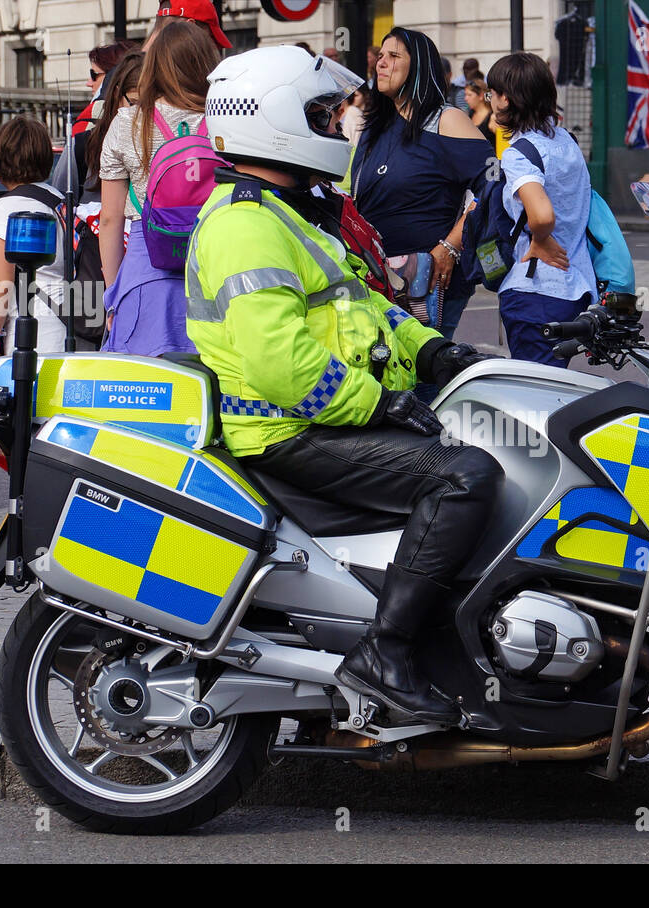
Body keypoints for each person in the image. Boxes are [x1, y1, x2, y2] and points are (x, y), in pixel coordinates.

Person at [187, 45, 501, 724]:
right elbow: (281, 363)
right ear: (273, 119)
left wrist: (436, 354)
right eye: (324, 116)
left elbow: (370, 311)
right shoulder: (245, 226)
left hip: (323, 417)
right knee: (465, 475)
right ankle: (384, 655)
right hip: (288, 431)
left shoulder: (292, 212)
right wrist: (380, 401)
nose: (338, 129)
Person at [351, 27, 494, 399]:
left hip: (430, 283)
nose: (382, 62)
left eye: (394, 56)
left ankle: (438, 455)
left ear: (420, 68)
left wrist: (450, 245)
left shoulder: (446, 120)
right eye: (381, 55)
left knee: (424, 379)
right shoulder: (373, 128)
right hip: (380, 280)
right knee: (388, 376)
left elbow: (494, 183)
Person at [98, 19, 217, 356]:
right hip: (214, 267)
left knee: (142, 390)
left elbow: (110, 219)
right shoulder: (225, 120)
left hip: (146, 266)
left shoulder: (128, 123)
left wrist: (113, 294)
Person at [487, 52, 595, 367]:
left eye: (491, 94)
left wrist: (540, 240)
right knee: (556, 387)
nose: (491, 101)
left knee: (537, 398)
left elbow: (543, 214)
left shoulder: (519, 153)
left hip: (535, 291)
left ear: (505, 99)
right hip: (573, 290)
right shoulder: (566, 141)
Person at [0, 118, 70, 356]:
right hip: (70, 326)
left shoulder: (6, 208)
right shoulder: (61, 202)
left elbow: (3, 284)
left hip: (31, 336)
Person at [150, 0, 231, 51]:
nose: (211, 49)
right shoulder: (177, 74)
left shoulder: (140, 67)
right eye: (209, 38)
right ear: (191, 26)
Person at [463, 77, 495, 145]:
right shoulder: (470, 113)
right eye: (465, 95)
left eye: (469, 95)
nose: (465, 98)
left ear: (480, 96)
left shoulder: (492, 117)